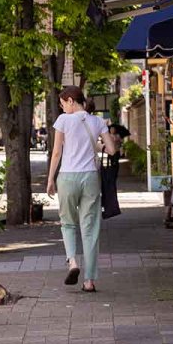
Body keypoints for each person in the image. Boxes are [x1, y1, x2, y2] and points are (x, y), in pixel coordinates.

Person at [46, 86, 117, 292]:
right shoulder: (97, 121)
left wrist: (50, 179)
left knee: (68, 223)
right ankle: (89, 281)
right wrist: (98, 146)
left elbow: (57, 152)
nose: (62, 108)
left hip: (67, 177)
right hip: (90, 178)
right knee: (90, 229)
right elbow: (112, 150)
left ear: (70, 100)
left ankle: (72, 262)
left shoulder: (63, 120)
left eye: (62, 104)